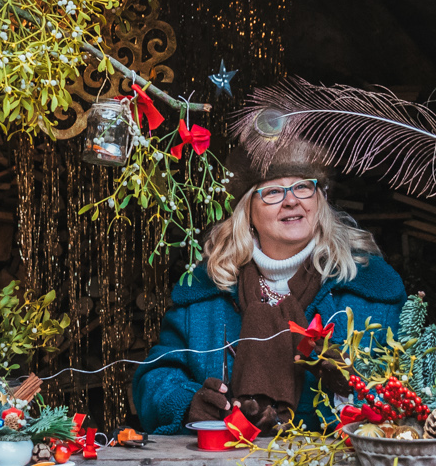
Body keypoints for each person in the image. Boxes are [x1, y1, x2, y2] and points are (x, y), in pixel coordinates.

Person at [133, 153, 403, 436]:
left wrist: (349, 389)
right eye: (273, 191)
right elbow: (154, 380)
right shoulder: (207, 291)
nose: (291, 201)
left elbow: (411, 390)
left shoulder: (370, 288)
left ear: (319, 200)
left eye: (302, 187)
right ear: (247, 211)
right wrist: (189, 403)